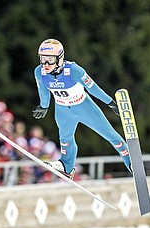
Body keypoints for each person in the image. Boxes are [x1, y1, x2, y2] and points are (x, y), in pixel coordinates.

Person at [32, 38, 132, 180]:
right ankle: (67, 167)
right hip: (62, 110)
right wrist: (44, 106)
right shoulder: (39, 72)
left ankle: (129, 160)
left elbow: (93, 88)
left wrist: (110, 102)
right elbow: (43, 90)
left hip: (84, 107)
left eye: (50, 60)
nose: (46, 64)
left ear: (60, 58)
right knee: (65, 139)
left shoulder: (74, 70)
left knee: (109, 134)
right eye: (42, 59)